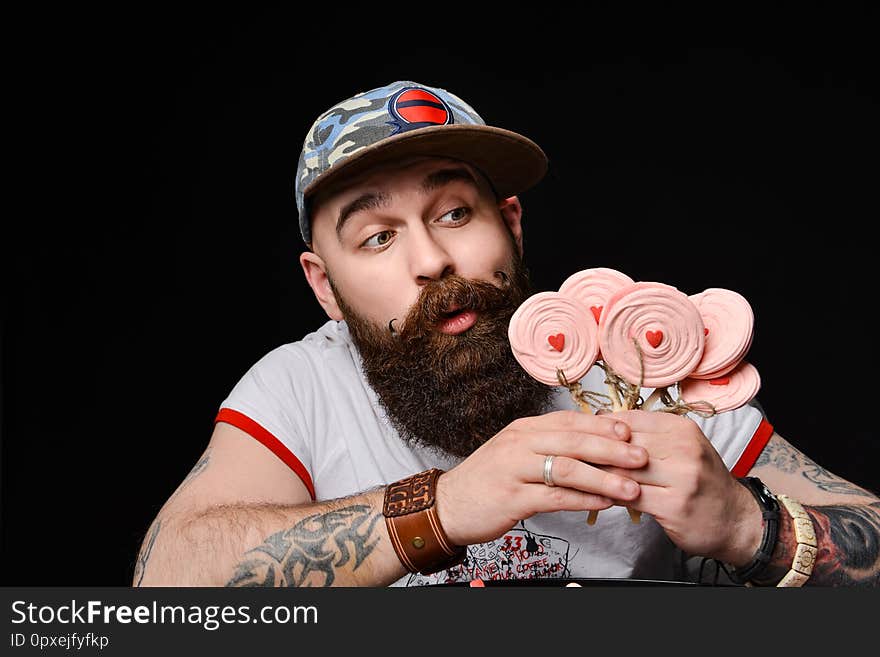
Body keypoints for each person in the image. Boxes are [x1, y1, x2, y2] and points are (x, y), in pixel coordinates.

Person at [133, 80, 879, 587]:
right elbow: (165, 575)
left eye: (455, 212)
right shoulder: (301, 385)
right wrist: (442, 507)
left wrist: (749, 522)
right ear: (323, 285)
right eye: (377, 238)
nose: (432, 260)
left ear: (512, 225)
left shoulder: (638, 367)